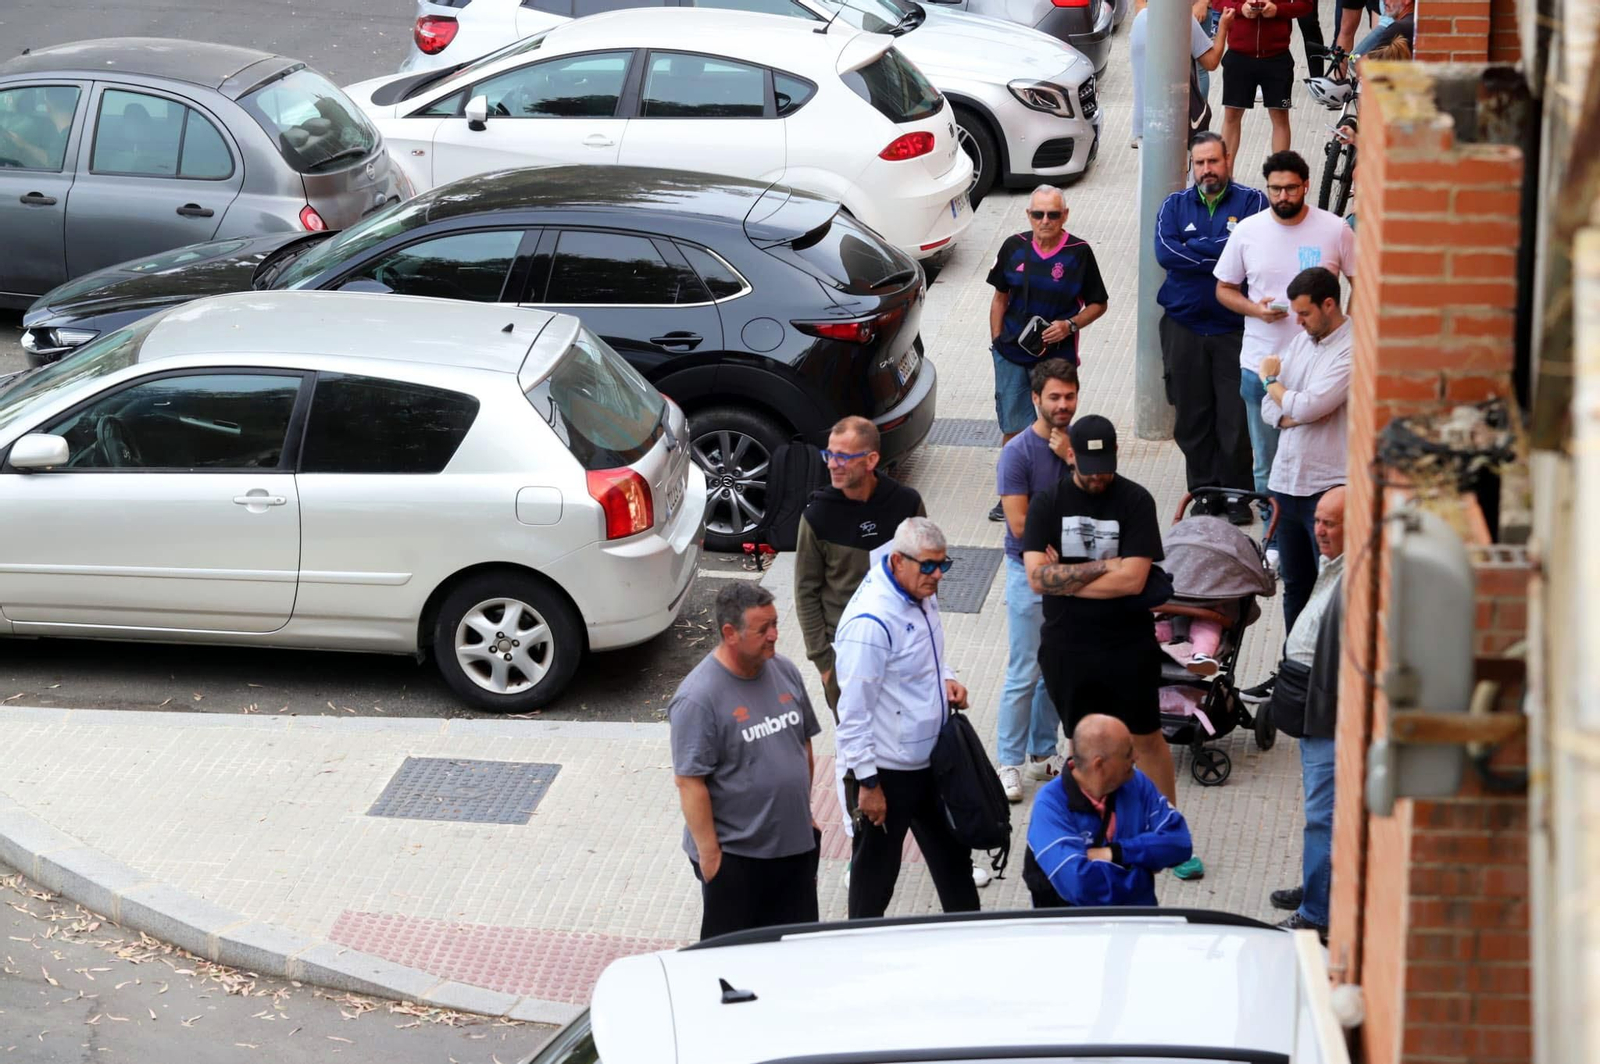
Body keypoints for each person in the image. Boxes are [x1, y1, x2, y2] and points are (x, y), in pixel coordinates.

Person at [1021, 415, 1203, 879]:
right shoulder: (1048, 502)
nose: (1099, 474)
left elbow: (1136, 579)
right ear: (1071, 456)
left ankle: (1168, 834)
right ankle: (1087, 833)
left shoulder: (1136, 501)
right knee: (1082, 744)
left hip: (1127, 645)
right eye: (1090, 465)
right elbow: (1038, 578)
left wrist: (1070, 578)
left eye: (1107, 464)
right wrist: (1104, 570)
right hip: (1068, 648)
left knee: (1145, 738)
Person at [1213, 148, 1356, 578]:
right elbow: (1223, 288)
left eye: (1291, 187)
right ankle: (1275, 539)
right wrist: (1256, 311)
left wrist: (1356, 329)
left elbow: (1363, 280)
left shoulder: (1334, 229)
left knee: (1321, 455)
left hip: (1325, 364)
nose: (1282, 195)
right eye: (1275, 188)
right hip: (1262, 361)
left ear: (1306, 185)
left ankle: (1321, 536)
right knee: (1265, 459)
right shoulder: (1249, 231)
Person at [835, 518, 982, 919]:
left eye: (943, 565)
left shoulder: (918, 589)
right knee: (875, 876)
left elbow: (924, 652)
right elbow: (852, 713)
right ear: (898, 561)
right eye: (928, 566)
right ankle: (861, 947)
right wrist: (867, 783)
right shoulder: (869, 623)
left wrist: (947, 678)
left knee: (954, 860)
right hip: (887, 772)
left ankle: (971, 933)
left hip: (931, 759)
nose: (937, 576)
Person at [669, 583, 822, 940]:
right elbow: (690, 782)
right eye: (763, 628)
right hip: (738, 856)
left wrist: (805, 813)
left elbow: (804, 743)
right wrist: (711, 860)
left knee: (798, 951)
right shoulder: (698, 698)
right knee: (733, 963)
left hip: (794, 844)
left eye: (776, 624)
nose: (774, 635)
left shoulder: (785, 671)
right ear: (729, 633)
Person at [1154, 131, 1268, 520]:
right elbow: (1165, 253)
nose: (1207, 170)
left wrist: (1197, 251)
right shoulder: (1173, 205)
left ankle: (1238, 493)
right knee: (1192, 413)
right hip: (1183, 327)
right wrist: (1223, 256)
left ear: (1228, 160)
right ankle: (1204, 491)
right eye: (1200, 163)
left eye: (1213, 161)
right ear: (1192, 165)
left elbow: (1253, 252)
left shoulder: (1253, 202)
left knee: (1234, 414)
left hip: (1234, 328)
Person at [986, 185, 1109, 522]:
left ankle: (1058, 493)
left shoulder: (1079, 253)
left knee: (1056, 423)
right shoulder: (1014, 246)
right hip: (1011, 354)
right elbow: (999, 297)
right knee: (1013, 427)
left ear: (1064, 216)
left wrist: (1070, 325)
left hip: (1057, 358)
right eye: (1038, 214)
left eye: (1053, 214)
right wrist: (998, 343)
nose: (1045, 221)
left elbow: (1099, 304)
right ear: (1028, 215)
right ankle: (1013, 493)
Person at [794, 416, 926, 715]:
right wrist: (825, 664)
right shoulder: (817, 516)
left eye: (843, 457)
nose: (832, 464)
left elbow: (926, 571)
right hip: (846, 651)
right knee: (857, 749)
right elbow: (805, 592)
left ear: (871, 460)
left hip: (901, 644)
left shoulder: (906, 503)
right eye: (829, 455)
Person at [994, 358, 1078, 801]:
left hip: (1067, 573)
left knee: (1055, 667)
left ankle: (1044, 752)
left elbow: (1098, 500)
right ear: (1035, 400)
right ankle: (1008, 762)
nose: (1062, 404)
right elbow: (1019, 522)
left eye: (1069, 396)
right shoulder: (1017, 454)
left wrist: (1071, 458)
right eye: (1054, 397)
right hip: (1026, 571)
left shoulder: (1079, 447)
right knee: (1024, 670)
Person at [1265, 487, 1346, 942]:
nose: (1319, 531)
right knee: (1318, 809)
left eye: (1330, 523)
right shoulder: (1333, 562)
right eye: (1318, 521)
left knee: (1322, 814)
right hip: (1310, 703)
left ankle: (1318, 913)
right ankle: (1318, 884)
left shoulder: (1357, 575)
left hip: (1326, 708)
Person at [1258, 266, 1351, 635]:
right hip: (1286, 484)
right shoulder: (1302, 341)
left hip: (1326, 489)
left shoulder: (1352, 347)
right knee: (1294, 586)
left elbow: (1309, 405)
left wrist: (1271, 382)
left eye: (1305, 313)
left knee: (1330, 591)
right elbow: (1271, 409)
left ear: (1329, 304)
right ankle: (1291, 673)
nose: (1297, 322)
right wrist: (1289, 406)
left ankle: (1321, 680)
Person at [1022, 714, 1194, 907]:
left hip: (1137, 926)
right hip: (1074, 931)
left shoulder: (1137, 783)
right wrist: (1140, 875)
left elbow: (1180, 843)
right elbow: (1079, 886)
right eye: (1128, 753)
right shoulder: (1051, 804)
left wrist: (1115, 853)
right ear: (1099, 764)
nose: (1136, 757)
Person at [1213, 0, 1313, 159]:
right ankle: (1226, 179)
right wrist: (1240, 8)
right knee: (1232, 115)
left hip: (1277, 55)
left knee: (1280, 116)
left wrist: (1277, 10)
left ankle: (1280, 178)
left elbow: (1307, 4)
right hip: (1239, 54)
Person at [1129, 0, 1233, 148]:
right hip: (1178, 125)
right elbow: (1211, 61)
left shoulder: (1139, 20)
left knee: (1148, 170)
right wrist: (1223, 26)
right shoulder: (1184, 19)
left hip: (1144, 124)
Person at [1, 86, 77, 170]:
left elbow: (52, 161)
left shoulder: (66, 138)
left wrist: (24, 145)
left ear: (48, 106)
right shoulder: (77, 132)